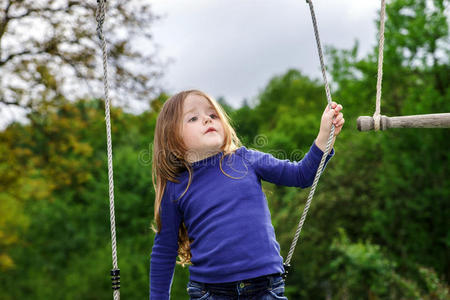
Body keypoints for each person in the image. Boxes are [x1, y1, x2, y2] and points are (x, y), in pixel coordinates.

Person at [150, 89, 344, 299]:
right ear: (172, 137)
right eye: (193, 118)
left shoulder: (247, 160)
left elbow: (301, 175)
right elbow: (164, 250)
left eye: (212, 115)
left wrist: (325, 135)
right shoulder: (177, 186)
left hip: (265, 287)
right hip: (210, 292)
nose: (207, 119)